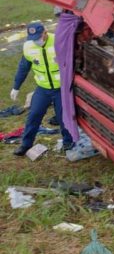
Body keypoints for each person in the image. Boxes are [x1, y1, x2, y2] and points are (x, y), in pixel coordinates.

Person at [11, 22, 73, 156]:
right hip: (43, 89)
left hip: (60, 89)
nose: (36, 41)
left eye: (38, 37)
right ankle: (26, 145)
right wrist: (16, 87)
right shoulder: (28, 47)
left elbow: (73, 63)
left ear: (45, 33)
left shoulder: (59, 41)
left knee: (64, 117)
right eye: (33, 39)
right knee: (33, 115)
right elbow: (23, 67)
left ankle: (68, 143)